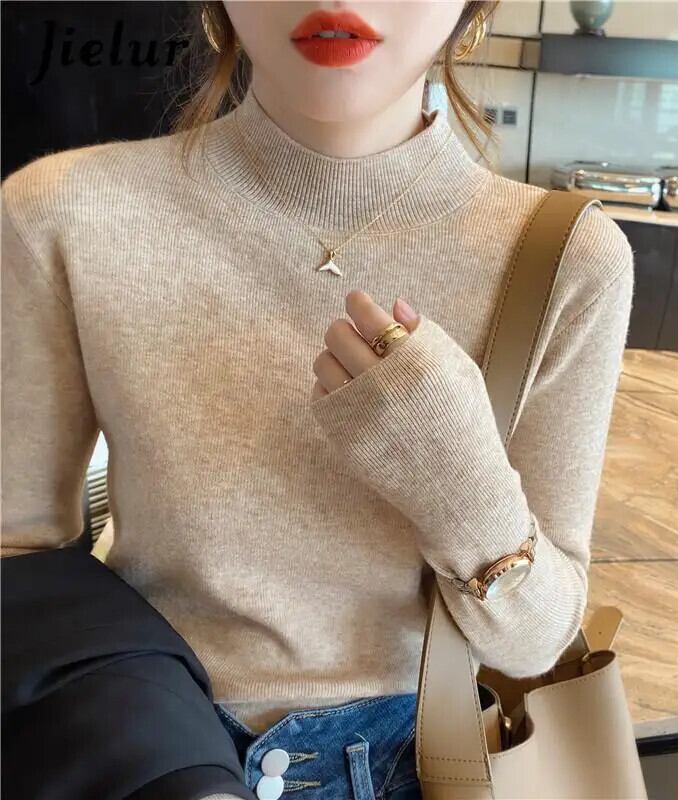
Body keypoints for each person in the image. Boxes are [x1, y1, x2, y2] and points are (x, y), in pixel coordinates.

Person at [1, 2, 635, 799]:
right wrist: (162, 761)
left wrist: (457, 479)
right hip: (139, 751)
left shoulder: (564, 261)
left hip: (426, 764)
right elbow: (18, 559)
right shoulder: (64, 213)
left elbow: (537, 644)